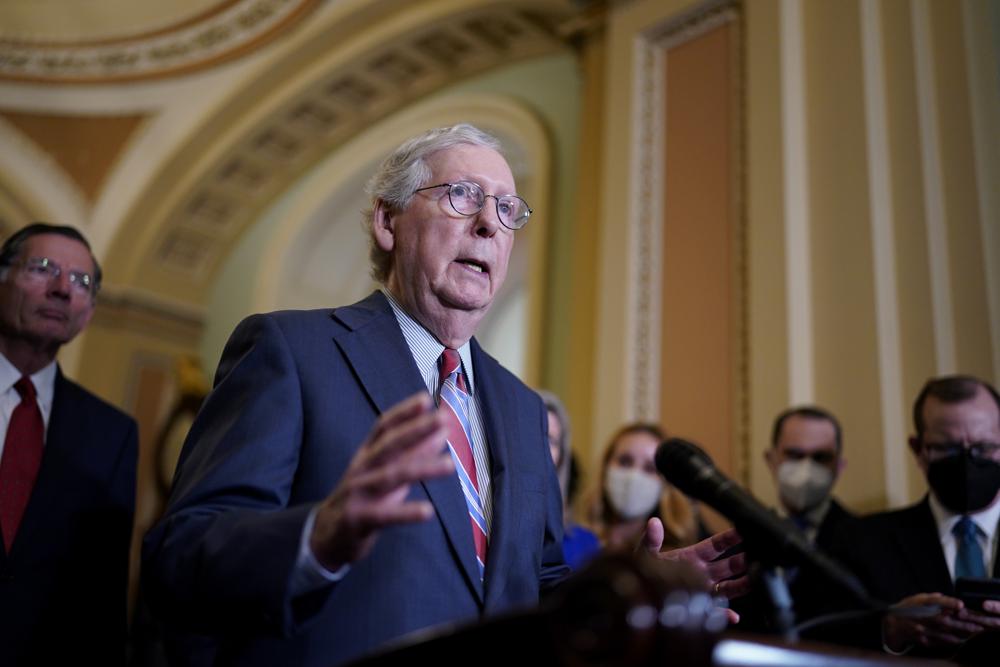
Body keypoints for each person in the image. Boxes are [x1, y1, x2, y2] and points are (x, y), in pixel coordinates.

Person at [142, 124, 746, 667]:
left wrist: (634, 587)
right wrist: (316, 538)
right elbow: (184, 550)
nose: (489, 223)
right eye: (463, 197)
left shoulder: (521, 406)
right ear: (387, 221)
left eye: (508, 209)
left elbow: (535, 589)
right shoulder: (293, 350)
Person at [0, 223, 138, 665]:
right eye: (42, 269)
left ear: (89, 311)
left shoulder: (111, 434)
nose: (62, 289)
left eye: (81, 282)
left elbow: (102, 596)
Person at [831, 375, 1000, 664]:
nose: (967, 461)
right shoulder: (863, 540)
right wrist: (891, 631)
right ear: (917, 449)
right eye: (947, 448)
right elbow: (829, 640)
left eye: (983, 448)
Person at [734, 406, 855, 635]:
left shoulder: (868, 542)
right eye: (795, 455)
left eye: (821, 458)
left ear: (839, 466)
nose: (806, 468)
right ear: (771, 459)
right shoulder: (738, 540)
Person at [588, 422, 707, 552]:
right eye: (625, 461)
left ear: (665, 483)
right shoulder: (577, 542)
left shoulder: (674, 553)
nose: (634, 476)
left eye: (650, 468)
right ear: (606, 467)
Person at [537, 389, 599, 570]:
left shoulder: (585, 545)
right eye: (533, 431)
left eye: (551, 439)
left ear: (562, 458)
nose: (540, 445)